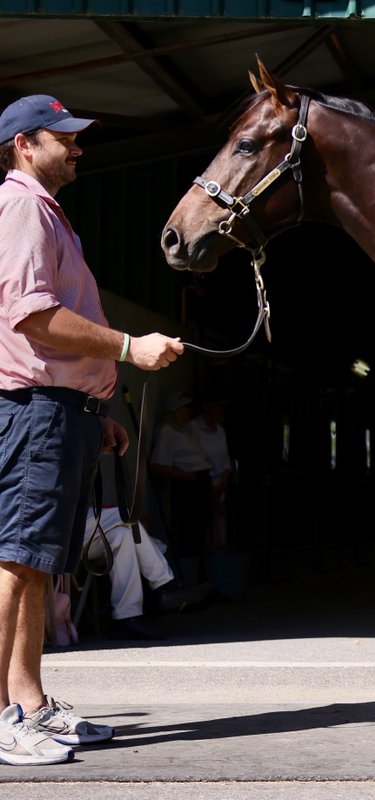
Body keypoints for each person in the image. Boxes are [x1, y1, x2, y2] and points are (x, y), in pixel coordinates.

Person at [0, 94, 184, 765]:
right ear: (26, 144)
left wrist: (91, 408)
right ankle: (2, 715)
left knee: (39, 565)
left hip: (57, 411)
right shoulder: (21, 206)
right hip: (35, 411)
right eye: (64, 138)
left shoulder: (46, 212)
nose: (77, 148)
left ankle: (29, 704)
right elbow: (33, 317)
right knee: (16, 563)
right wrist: (129, 349)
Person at [82, 505, 210, 641]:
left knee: (123, 535)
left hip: (82, 531)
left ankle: (126, 618)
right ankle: (164, 584)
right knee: (125, 514)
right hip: (64, 530)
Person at [150, 392, 212, 563]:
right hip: (187, 483)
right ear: (175, 411)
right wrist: (185, 475)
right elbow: (158, 465)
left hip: (200, 479)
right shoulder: (166, 431)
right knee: (187, 530)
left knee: (202, 529)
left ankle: (199, 570)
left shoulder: (189, 428)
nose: (188, 413)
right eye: (184, 409)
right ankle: (186, 571)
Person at [190, 396, 232, 551]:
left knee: (218, 533)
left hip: (219, 488)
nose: (220, 410)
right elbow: (195, 458)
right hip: (201, 485)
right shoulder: (194, 427)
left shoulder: (220, 431)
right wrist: (211, 487)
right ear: (206, 406)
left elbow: (226, 463)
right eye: (217, 405)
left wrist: (220, 486)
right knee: (202, 532)